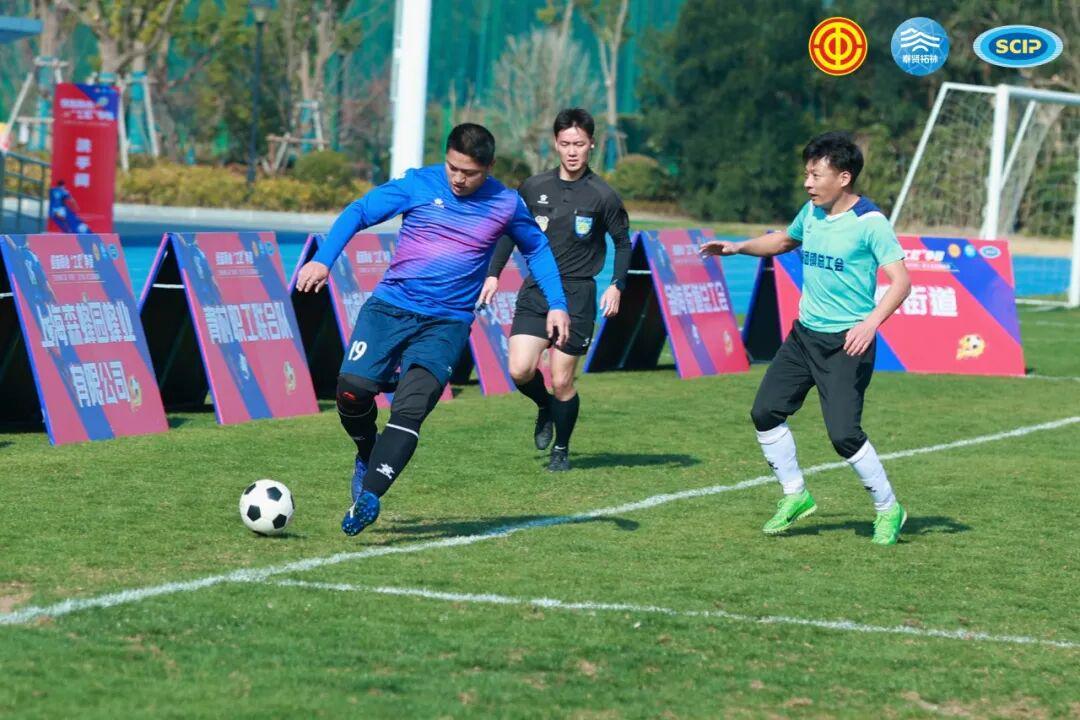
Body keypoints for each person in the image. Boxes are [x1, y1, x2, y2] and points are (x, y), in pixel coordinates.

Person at [295, 123, 571, 536]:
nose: (458, 178)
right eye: (452, 167)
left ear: (489, 167)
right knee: (352, 389)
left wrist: (558, 304)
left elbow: (537, 249)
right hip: (389, 308)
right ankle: (367, 451)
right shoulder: (419, 184)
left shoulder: (505, 203)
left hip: (446, 323)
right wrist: (324, 259)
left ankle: (369, 496)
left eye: (469, 172)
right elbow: (359, 211)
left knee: (410, 410)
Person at [700, 131, 912, 545]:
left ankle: (889, 509)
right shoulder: (812, 211)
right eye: (806, 174)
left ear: (844, 177)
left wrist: (869, 324)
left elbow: (901, 282)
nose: (807, 183)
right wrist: (737, 248)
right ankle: (795, 494)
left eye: (816, 175)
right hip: (803, 337)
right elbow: (784, 239)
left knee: (844, 436)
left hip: (846, 345)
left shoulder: (871, 223)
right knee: (765, 413)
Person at [479, 108, 631, 472]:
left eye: (579, 144)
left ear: (592, 144)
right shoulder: (534, 187)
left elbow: (623, 243)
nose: (572, 151)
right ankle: (544, 406)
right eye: (565, 144)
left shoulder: (603, 195)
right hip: (537, 291)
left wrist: (617, 285)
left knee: (562, 380)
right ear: (555, 144)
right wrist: (493, 273)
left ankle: (560, 449)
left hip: (577, 296)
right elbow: (510, 232)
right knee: (520, 370)